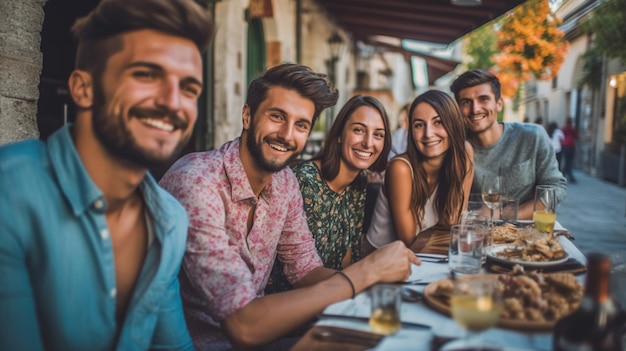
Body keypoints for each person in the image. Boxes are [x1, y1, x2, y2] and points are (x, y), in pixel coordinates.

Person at [158, 63, 420, 351]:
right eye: (276, 117)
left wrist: (381, 286)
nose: (286, 134)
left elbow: (305, 269)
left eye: (301, 125)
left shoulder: (284, 183)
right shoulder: (198, 182)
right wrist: (365, 273)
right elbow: (243, 324)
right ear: (247, 116)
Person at [0, 0, 213, 350]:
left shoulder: (169, 219)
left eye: (189, 88)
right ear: (84, 88)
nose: (173, 102)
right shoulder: (11, 192)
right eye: (146, 74)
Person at [265, 94, 392, 294]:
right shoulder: (304, 180)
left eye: (378, 134)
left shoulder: (358, 184)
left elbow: (348, 259)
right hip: (288, 306)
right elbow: (297, 274)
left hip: (334, 298)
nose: (368, 143)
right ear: (340, 134)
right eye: (359, 130)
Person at [450, 69, 566, 220]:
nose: (475, 109)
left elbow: (556, 189)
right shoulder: (455, 148)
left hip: (528, 231)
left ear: (499, 104)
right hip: (478, 231)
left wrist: (503, 215)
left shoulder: (532, 136)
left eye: (483, 99)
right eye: (466, 102)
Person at [366, 90, 474, 248]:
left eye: (438, 122)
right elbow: (410, 242)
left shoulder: (464, 155)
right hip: (382, 261)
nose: (428, 134)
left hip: (430, 258)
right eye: (419, 125)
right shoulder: (400, 168)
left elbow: (452, 221)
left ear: (453, 124)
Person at [561, 117, 578, 183]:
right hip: (571, 146)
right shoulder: (572, 129)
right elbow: (576, 136)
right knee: (569, 162)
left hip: (566, 146)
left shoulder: (564, 129)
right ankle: (568, 175)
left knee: (567, 161)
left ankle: (566, 175)